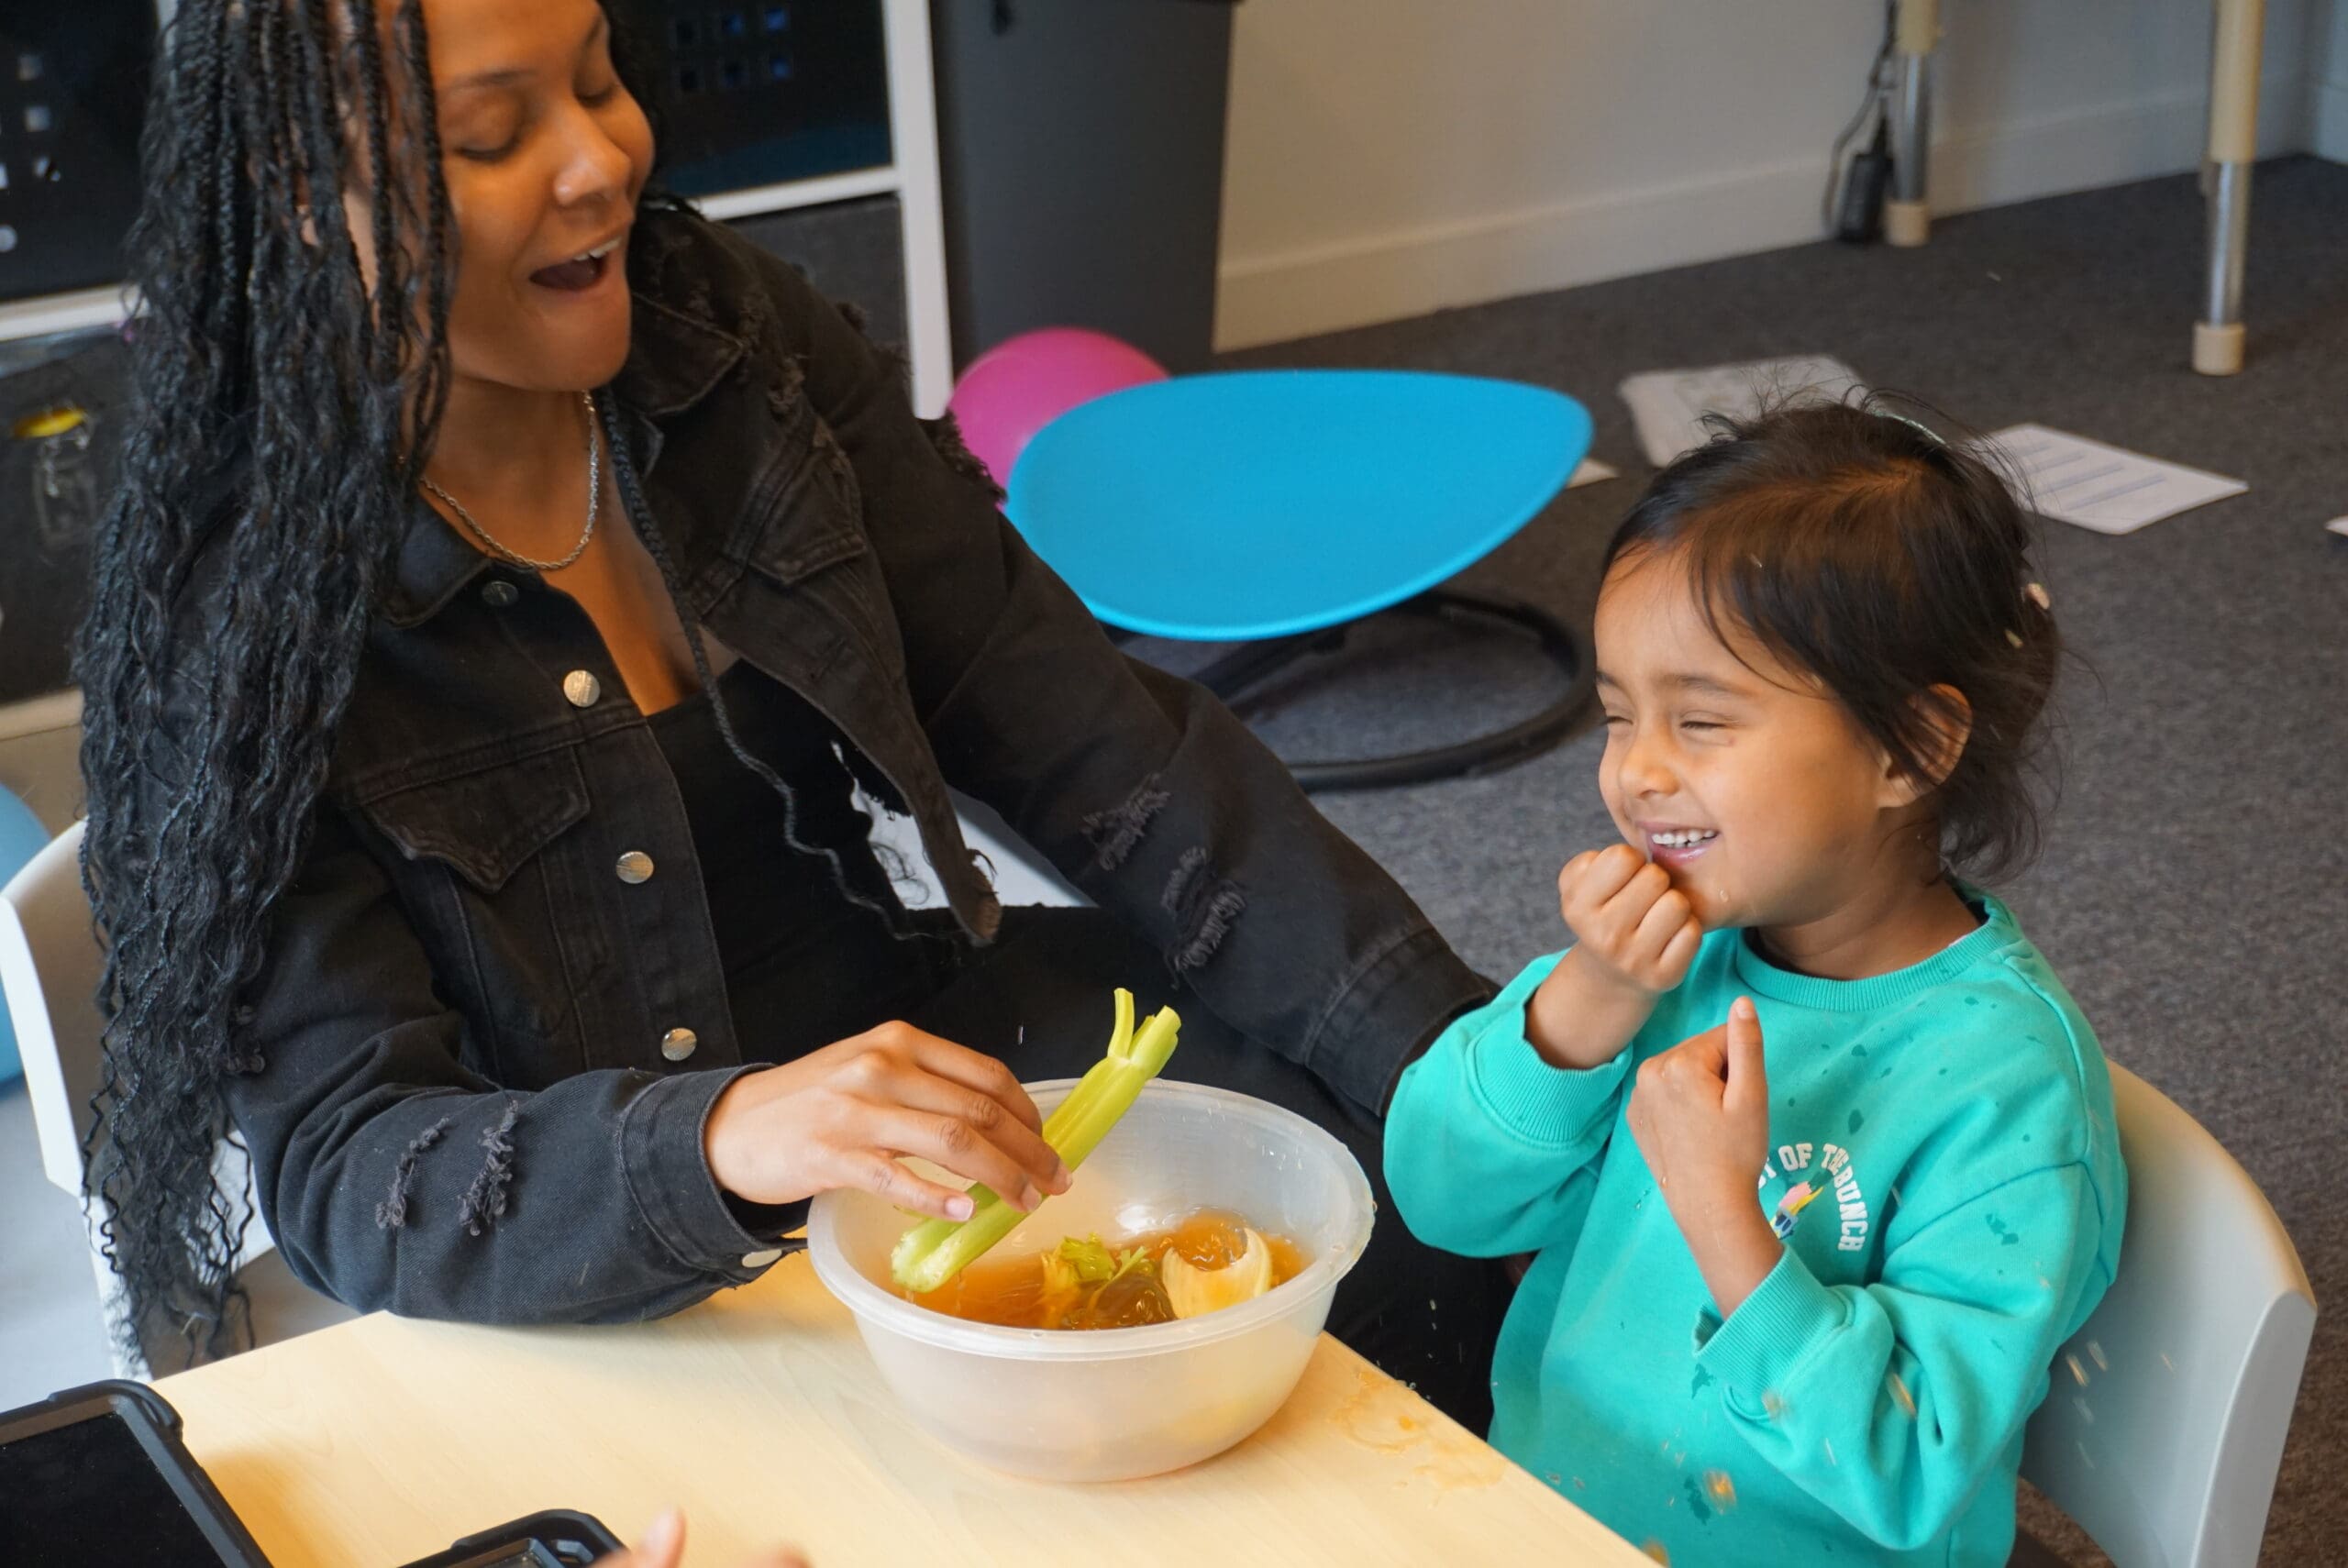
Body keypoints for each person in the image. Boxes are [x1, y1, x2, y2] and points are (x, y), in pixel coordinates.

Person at [75, 0, 1506, 1425]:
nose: (600, 161)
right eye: (492, 133)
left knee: (1423, 1202)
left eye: (598, 78)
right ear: (303, 197)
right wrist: (725, 1136)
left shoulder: (734, 345)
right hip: (578, 1278)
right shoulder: (239, 608)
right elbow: (353, 1168)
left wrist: (1476, 1072)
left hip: (916, 1069)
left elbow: (1095, 742)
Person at [1385, 401, 2127, 1565]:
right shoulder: (1663, 961)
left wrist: (1726, 1220)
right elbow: (1441, 1199)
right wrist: (1588, 1000)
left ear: (1909, 751)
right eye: (1620, 715)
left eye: (1701, 720)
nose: (1635, 771)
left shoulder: (2005, 1086)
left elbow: (1910, 1467)